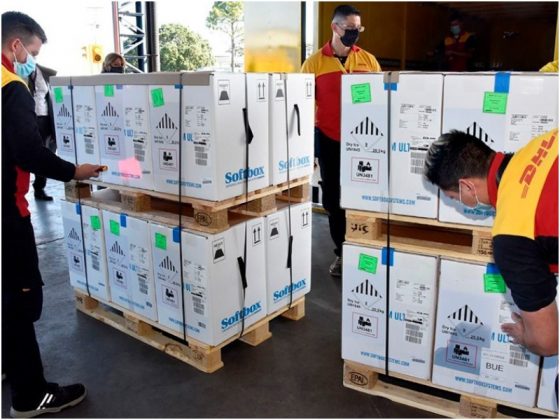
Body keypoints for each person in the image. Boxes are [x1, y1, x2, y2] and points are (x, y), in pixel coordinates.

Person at [2, 11, 102, 418]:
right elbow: (28, 151)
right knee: (19, 300)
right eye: (33, 52)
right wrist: (72, 171)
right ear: (16, 45)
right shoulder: (11, 88)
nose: (32, 61)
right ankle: (30, 396)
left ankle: (8, 364)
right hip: (7, 215)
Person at [424, 129, 558, 357]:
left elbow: (548, 342)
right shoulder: (545, 142)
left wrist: (526, 336)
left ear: (467, 187)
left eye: (454, 198)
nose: (459, 204)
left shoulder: (512, 235)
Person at [301, 4, 381, 277]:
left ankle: (364, 250)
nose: (354, 33)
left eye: (358, 29)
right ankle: (342, 253)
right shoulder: (314, 64)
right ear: (335, 27)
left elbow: (379, 103)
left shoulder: (369, 61)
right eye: (350, 28)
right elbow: (304, 107)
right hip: (329, 139)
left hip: (364, 143)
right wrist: (308, 149)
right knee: (334, 200)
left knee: (362, 197)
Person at [28, 63, 57, 201]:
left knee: (48, 151)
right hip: (31, 117)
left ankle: (40, 186)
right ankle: (39, 188)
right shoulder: (19, 72)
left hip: (45, 116)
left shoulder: (42, 71)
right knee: (38, 152)